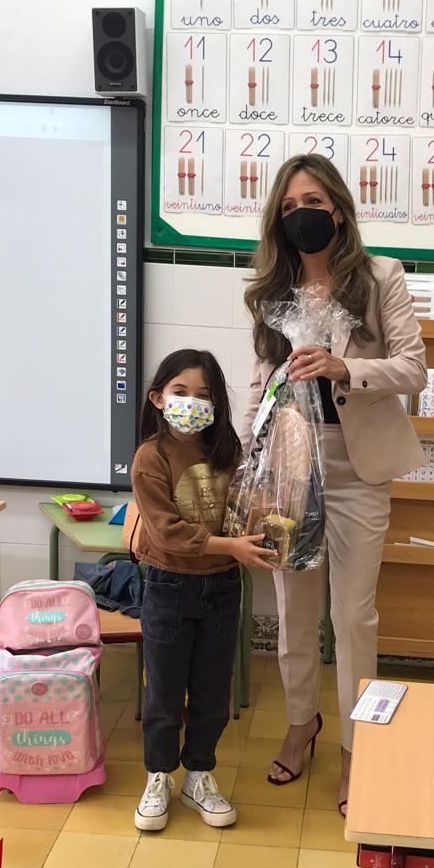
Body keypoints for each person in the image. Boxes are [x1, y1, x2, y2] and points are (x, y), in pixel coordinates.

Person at [241, 154, 427, 814]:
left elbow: (413, 369)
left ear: (340, 211)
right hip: (289, 467)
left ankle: (357, 747)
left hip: (357, 470)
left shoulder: (379, 278)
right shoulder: (272, 290)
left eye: (314, 203)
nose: (302, 216)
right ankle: (302, 724)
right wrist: (249, 469)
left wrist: (346, 368)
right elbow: (261, 383)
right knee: (293, 613)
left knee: (353, 618)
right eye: (290, 207)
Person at [131, 349, 277, 832]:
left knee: (213, 692)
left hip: (221, 586)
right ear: (158, 398)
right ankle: (158, 776)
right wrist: (232, 546)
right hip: (168, 585)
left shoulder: (226, 451)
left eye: (203, 394)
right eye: (180, 392)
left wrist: (266, 516)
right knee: (164, 693)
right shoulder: (150, 457)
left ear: (216, 404)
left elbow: (243, 505)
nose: (191, 403)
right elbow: (166, 533)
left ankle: (198, 775)